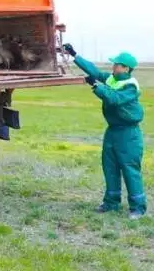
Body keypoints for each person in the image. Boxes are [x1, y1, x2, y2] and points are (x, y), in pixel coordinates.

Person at [62, 43, 147, 219]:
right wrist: (74, 55)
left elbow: (114, 99)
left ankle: (138, 207)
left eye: (116, 64)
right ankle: (111, 203)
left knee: (130, 169)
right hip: (113, 131)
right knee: (110, 167)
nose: (113, 66)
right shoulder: (112, 79)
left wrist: (95, 86)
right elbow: (95, 72)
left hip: (128, 134)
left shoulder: (130, 86)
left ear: (126, 68)